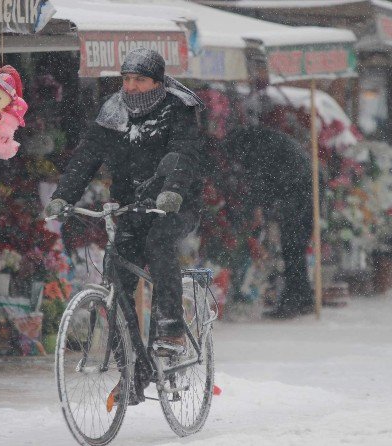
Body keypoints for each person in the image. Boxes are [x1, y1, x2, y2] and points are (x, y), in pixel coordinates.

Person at [45, 48, 204, 357]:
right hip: (132, 205)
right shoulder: (113, 111)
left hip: (175, 204)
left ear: (158, 82)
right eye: (127, 79)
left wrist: (172, 189)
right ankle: (128, 361)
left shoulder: (178, 108)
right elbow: (87, 156)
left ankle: (171, 330)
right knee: (116, 267)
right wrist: (63, 195)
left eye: (140, 80)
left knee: (159, 243)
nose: (130, 86)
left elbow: (185, 154)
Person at [224, 125, 315, 319]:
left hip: (298, 193)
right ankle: (304, 297)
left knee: (292, 247)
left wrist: (258, 208)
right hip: (305, 189)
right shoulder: (265, 140)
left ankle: (294, 301)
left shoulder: (258, 148)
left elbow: (261, 181)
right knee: (296, 248)